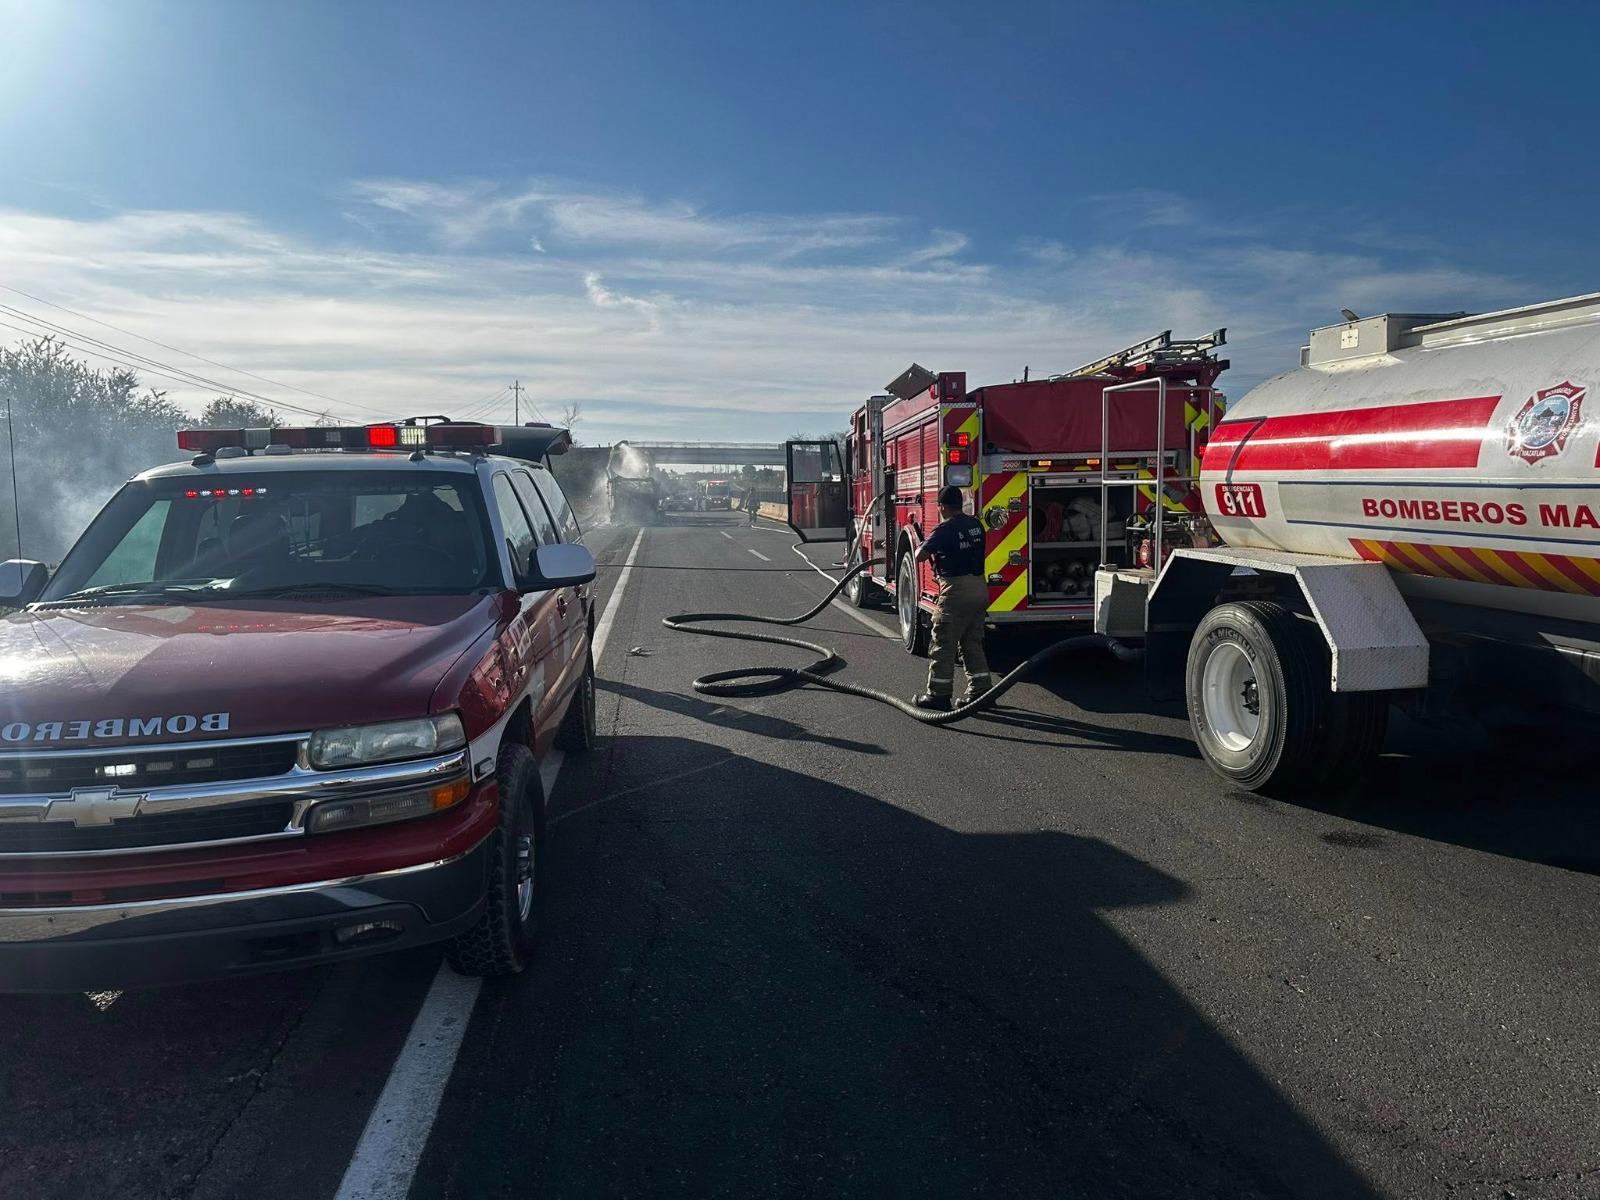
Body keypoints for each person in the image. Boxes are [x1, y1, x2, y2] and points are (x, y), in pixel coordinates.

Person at [911, 485, 992, 711]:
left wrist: (922, 543)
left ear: (942, 507)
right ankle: (982, 691)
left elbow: (920, 556)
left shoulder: (944, 529)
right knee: (971, 642)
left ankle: (938, 695)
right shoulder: (976, 525)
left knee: (943, 643)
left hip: (956, 592)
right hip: (979, 589)